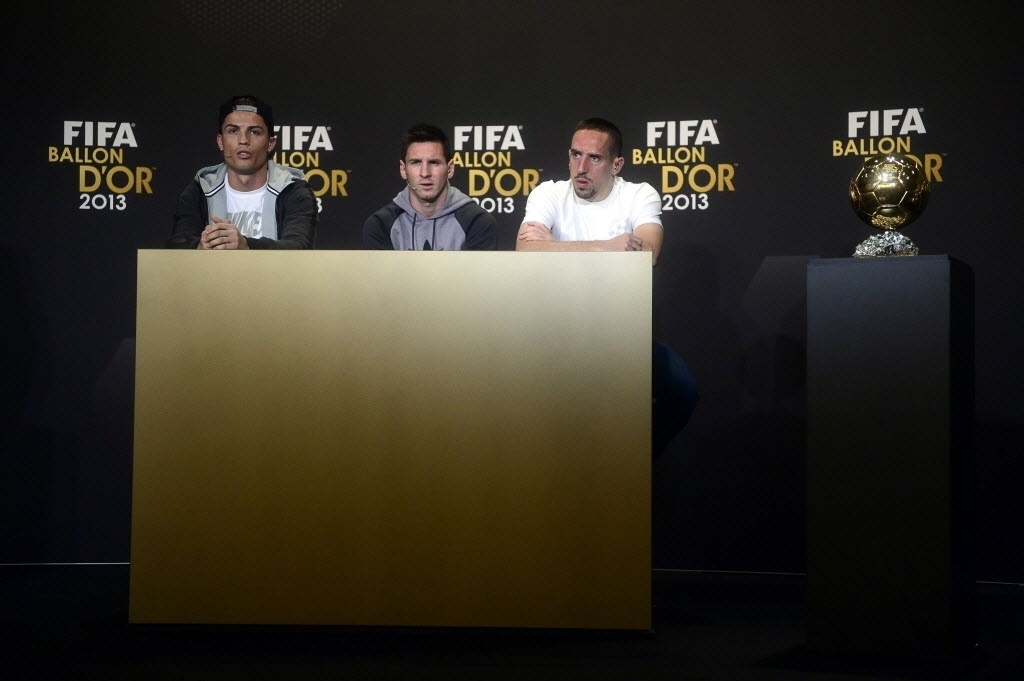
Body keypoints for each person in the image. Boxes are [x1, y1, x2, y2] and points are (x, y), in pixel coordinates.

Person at [516, 117, 698, 455]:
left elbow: (648, 254)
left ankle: (636, 461)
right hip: (554, 335)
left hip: (619, 336)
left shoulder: (638, 195)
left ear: (617, 164)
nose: (580, 167)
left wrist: (554, 246)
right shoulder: (549, 193)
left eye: (594, 158)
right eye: (575, 155)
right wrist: (608, 247)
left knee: (683, 389)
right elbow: (525, 250)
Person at [167, 94, 317, 250]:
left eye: (255, 132)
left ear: (271, 143)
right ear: (220, 141)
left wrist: (246, 246)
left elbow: (300, 249)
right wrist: (200, 247)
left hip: (274, 275)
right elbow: (175, 247)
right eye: (233, 131)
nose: (243, 140)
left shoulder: (293, 189)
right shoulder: (200, 189)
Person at [364, 123, 496, 251]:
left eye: (434, 163)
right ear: (403, 170)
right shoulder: (380, 225)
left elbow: (475, 274)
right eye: (415, 162)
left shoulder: (477, 222)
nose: (425, 173)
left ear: (450, 169)